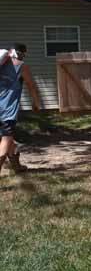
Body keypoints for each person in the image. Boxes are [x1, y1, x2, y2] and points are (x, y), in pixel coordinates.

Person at [0, 44, 41, 175]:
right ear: (22, 53)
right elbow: (31, 86)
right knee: (6, 139)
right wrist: (35, 102)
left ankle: (16, 166)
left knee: (10, 139)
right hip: (7, 110)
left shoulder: (2, 64)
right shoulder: (22, 66)